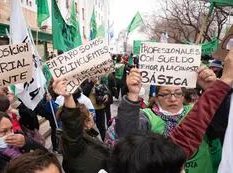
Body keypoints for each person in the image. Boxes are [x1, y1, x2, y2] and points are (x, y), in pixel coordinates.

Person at [105, 59, 233, 173]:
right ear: (156, 97)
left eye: (178, 93)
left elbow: (222, 125)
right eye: (166, 94)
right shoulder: (147, 116)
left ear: (184, 96)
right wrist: (132, 94)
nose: (173, 99)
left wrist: (211, 89)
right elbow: (128, 138)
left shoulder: (194, 109)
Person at [53, 80, 110, 173]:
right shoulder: (75, 146)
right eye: (89, 115)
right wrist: (68, 97)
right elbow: (72, 124)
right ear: (84, 123)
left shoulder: (89, 136)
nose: (92, 115)